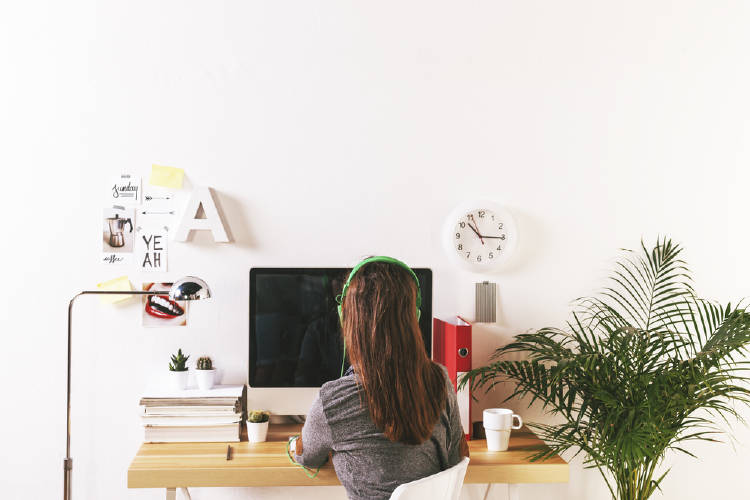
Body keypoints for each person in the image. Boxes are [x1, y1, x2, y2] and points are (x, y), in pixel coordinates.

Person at [292, 257, 469, 500]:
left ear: (346, 319)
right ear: (413, 317)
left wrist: (295, 445)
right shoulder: (439, 380)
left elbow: (308, 457)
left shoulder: (332, 401)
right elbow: (456, 457)